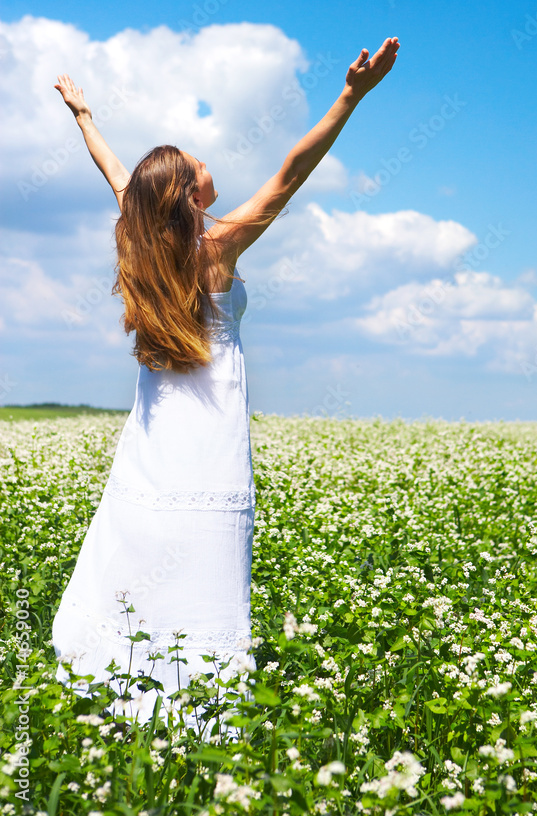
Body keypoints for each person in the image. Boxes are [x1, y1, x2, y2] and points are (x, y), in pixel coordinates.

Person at [50, 36, 400, 737]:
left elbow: (115, 172)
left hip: (155, 433)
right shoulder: (217, 249)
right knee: (206, 553)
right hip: (207, 436)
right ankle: (200, 711)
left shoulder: (142, 240)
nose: (210, 167)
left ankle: (122, 692)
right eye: (199, 167)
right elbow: (290, 172)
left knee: (146, 540)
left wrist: (84, 116)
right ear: (188, 197)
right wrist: (350, 97)